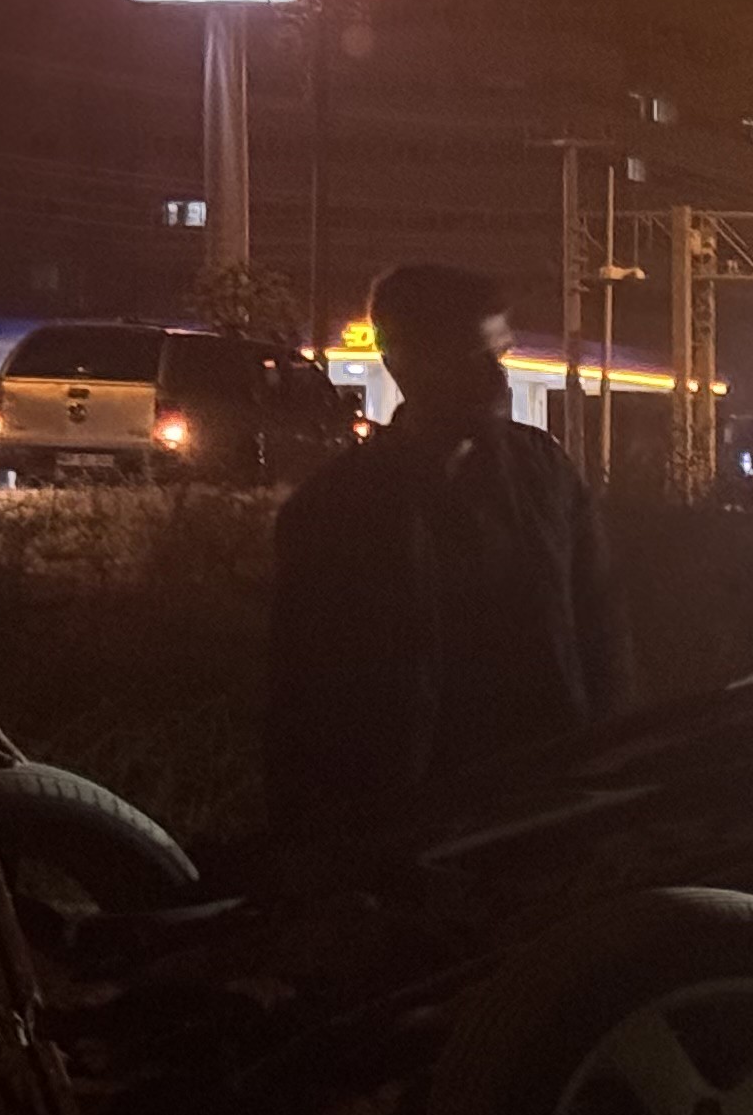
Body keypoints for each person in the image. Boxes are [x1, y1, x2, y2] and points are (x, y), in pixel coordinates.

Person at [264, 261, 634, 837]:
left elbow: (601, 636)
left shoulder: (547, 476)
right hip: (404, 830)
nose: (496, 379)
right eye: (472, 357)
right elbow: (305, 706)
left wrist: (603, 778)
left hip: (550, 811)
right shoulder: (330, 513)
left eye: (499, 355)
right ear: (403, 361)